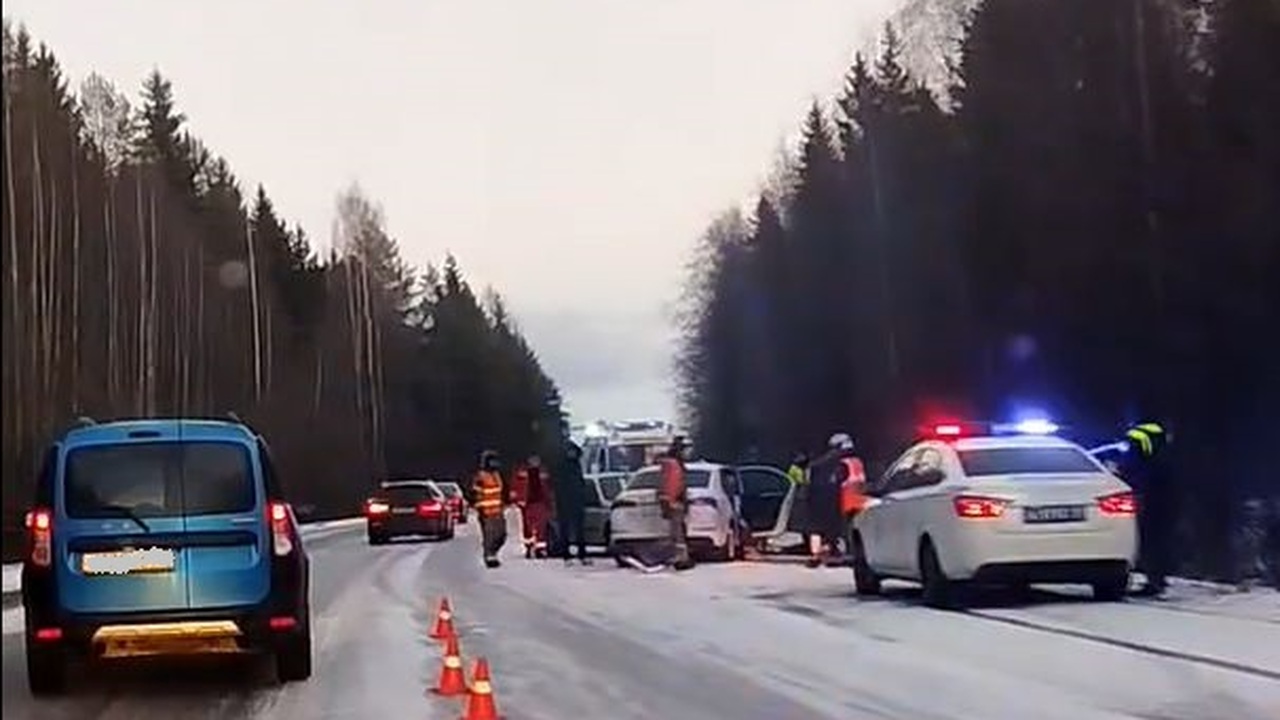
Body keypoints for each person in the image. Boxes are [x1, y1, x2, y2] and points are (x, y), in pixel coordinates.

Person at [1116, 422, 1174, 596]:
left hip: (1150, 501)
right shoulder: (1162, 455)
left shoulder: (1140, 451)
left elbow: (1132, 474)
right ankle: (1157, 579)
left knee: (1150, 541)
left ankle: (1155, 580)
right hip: (1163, 502)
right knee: (1157, 541)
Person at [805, 433, 857, 568]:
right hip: (840, 500)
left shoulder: (818, 464)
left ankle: (819, 554)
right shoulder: (846, 461)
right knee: (839, 528)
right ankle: (836, 552)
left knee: (817, 528)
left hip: (819, 499)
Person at [658, 435, 695, 571]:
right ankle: (680, 558)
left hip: (676, 502)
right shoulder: (674, 465)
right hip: (675, 503)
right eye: (686, 450)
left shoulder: (674, 464)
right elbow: (673, 484)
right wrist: (671, 501)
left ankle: (681, 557)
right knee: (677, 533)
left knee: (677, 532)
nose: (688, 453)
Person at [513, 453, 554, 559]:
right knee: (527, 527)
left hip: (540, 502)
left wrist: (549, 501)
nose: (535, 462)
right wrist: (517, 500)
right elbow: (516, 486)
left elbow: (548, 487)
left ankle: (540, 549)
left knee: (541, 527)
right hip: (527, 503)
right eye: (533, 460)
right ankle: (529, 547)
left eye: (536, 460)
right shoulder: (522, 472)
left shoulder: (543, 472)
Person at [556, 442, 591, 565]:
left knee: (579, 529)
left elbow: (581, 484)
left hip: (576, 500)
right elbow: (558, 484)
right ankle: (567, 555)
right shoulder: (561, 466)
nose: (572, 454)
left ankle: (582, 554)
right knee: (565, 529)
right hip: (565, 500)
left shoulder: (576, 466)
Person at [472, 450, 508, 569]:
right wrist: (480, 509)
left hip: (498, 510)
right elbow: (475, 494)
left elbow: (501, 492)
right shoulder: (480, 476)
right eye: (492, 461)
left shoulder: (497, 475)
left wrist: (504, 504)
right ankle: (489, 556)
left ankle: (493, 552)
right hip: (486, 512)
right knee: (490, 535)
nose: (494, 464)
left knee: (502, 534)